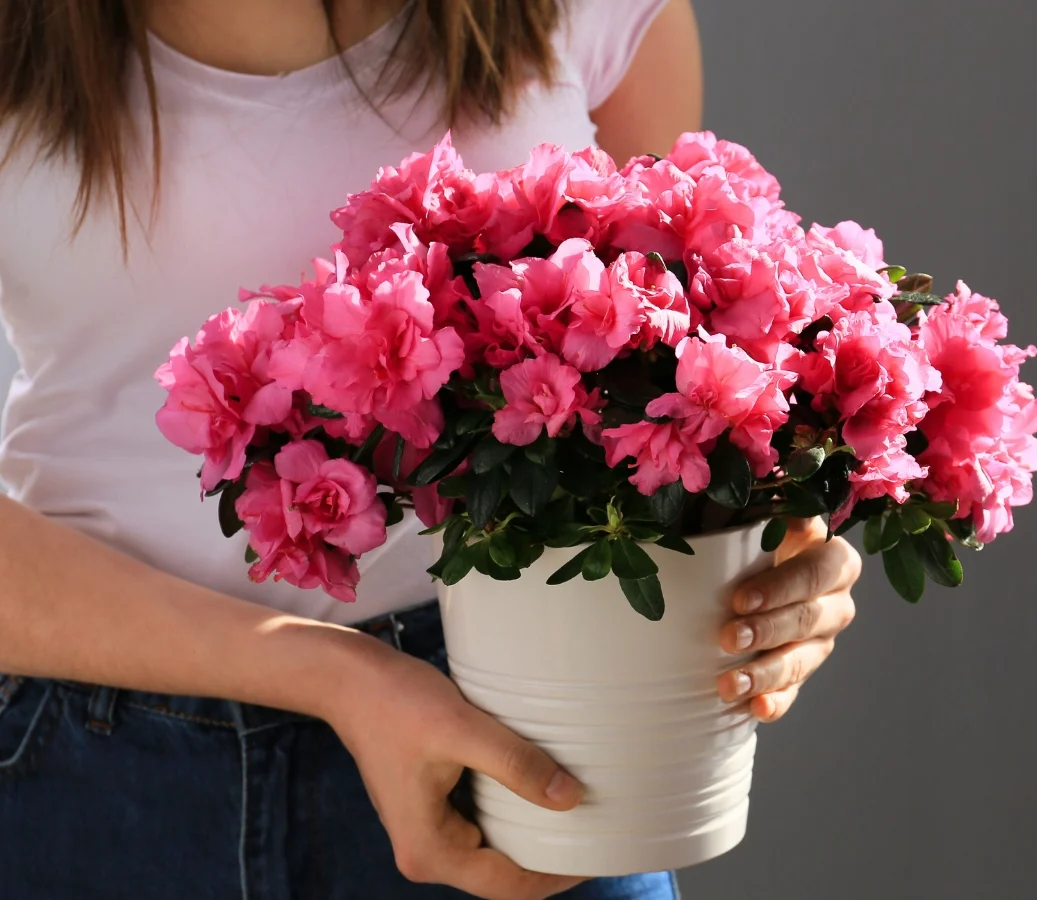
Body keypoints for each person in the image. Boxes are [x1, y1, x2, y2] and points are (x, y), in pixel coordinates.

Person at [0, 2, 861, 898]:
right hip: (92, 766)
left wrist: (772, 536)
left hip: (526, 724)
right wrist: (333, 676)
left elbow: (677, 359)